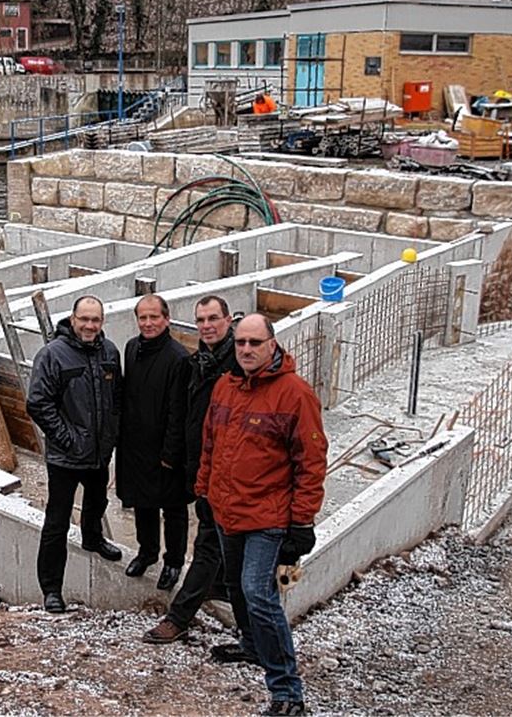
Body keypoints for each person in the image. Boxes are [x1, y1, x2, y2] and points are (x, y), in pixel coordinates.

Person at [195, 313, 327, 717]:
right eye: (241, 344)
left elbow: (311, 462)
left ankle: (287, 691)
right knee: (235, 584)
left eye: (255, 343)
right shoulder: (225, 386)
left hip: (267, 518)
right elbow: (210, 445)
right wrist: (204, 490)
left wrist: (302, 523)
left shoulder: (295, 394)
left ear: (273, 344)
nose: (247, 350)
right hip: (226, 511)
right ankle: (252, 647)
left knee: (259, 594)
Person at [143, 295, 238, 644]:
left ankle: (179, 616)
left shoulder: (237, 365)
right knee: (226, 546)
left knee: (208, 544)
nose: (207, 326)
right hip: (205, 469)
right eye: (201, 320)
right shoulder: (199, 361)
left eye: (214, 318)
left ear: (228, 320)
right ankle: (224, 594)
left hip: (230, 476)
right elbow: (188, 417)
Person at [26, 295, 123, 614]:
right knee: (57, 521)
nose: (90, 325)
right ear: (72, 318)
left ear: (102, 322)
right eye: (84, 319)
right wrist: (68, 439)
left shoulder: (109, 352)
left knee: (97, 502)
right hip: (66, 457)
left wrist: (109, 437)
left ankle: (93, 539)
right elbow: (38, 403)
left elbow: (116, 399)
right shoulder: (52, 355)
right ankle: (51, 589)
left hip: (98, 454)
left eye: (95, 320)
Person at [116, 294, 189, 591]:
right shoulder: (132, 348)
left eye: (154, 317)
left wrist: (170, 454)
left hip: (165, 451)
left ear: (166, 319)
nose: (148, 323)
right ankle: (147, 552)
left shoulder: (179, 358)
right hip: (136, 445)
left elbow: (178, 410)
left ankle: (173, 561)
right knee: (143, 504)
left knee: (173, 508)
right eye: (142, 318)